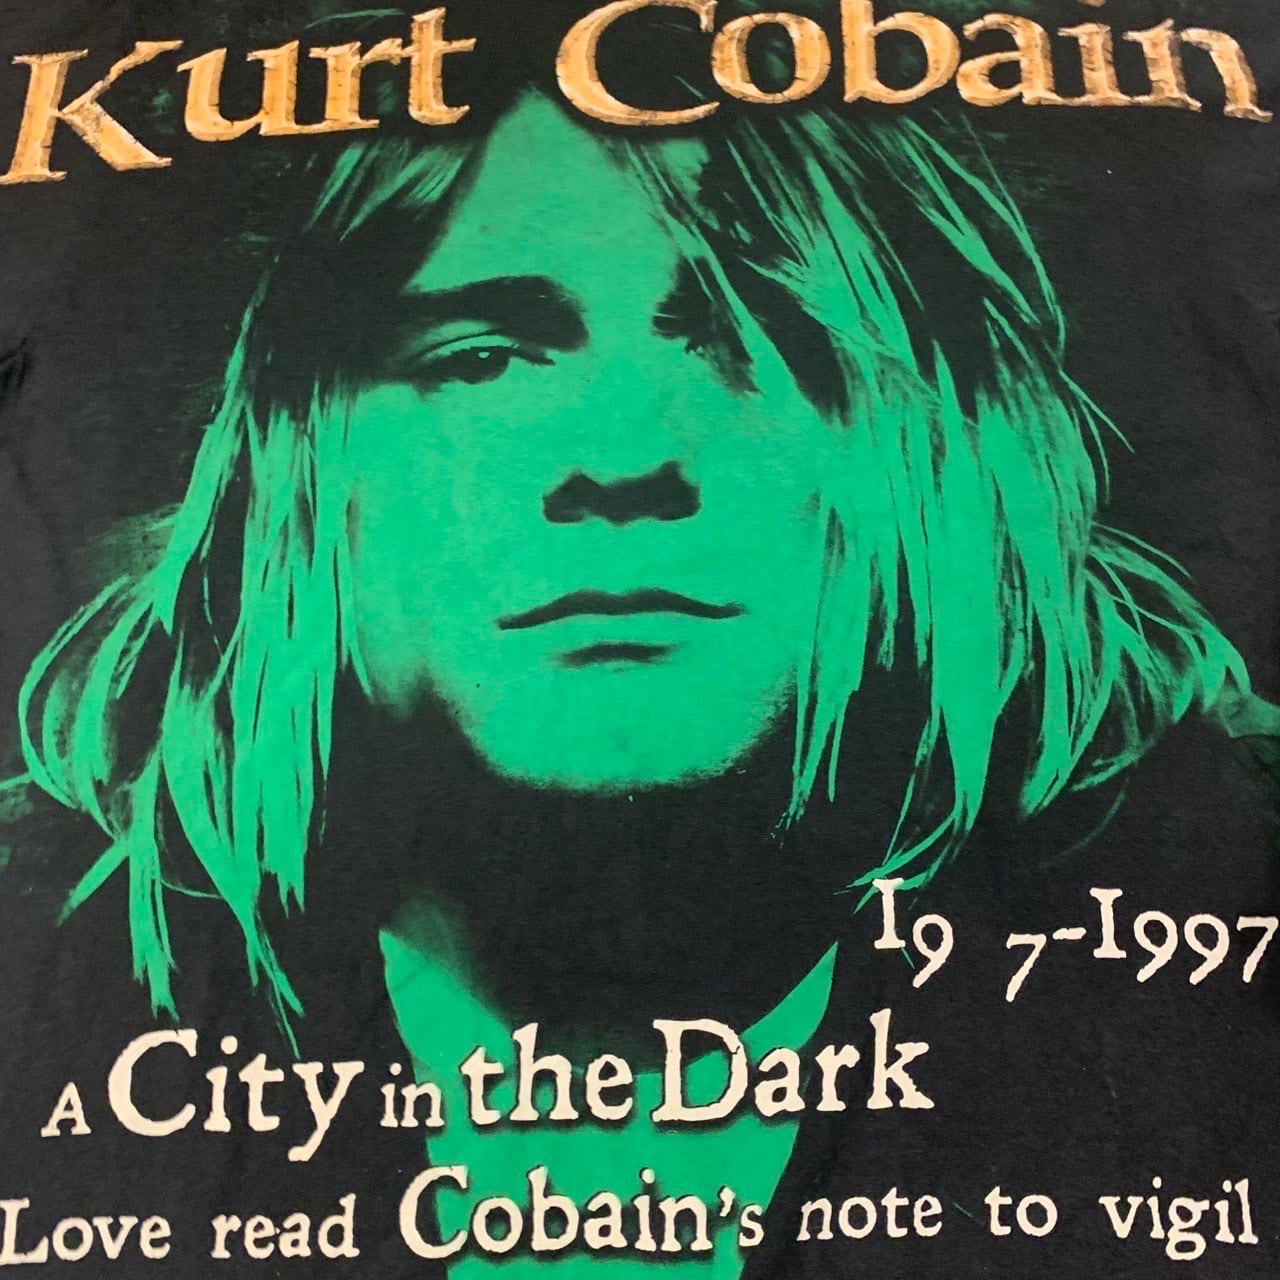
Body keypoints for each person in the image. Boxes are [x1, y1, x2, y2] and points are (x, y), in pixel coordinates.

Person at [4, 4, 1278, 1275]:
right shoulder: (42, 943)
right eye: (481, 359)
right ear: (290, 464)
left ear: (950, 440)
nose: (621, 457)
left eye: (760, 344)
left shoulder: (1218, 902)